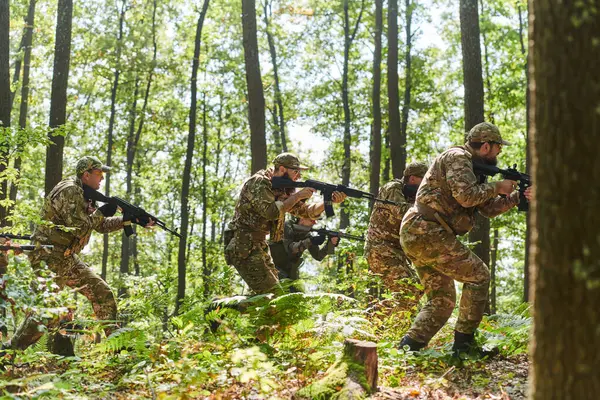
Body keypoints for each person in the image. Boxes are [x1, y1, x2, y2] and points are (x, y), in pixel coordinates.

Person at [398, 122, 532, 356]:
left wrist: (515, 197)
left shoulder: (474, 169)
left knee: (443, 299)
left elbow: (487, 209)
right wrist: (497, 186)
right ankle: (464, 347)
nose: (499, 155)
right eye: (498, 149)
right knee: (479, 276)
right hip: (425, 230)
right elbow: (466, 197)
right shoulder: (458, 156)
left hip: (422, 233)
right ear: (487, 146)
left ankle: (408, 349)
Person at [3, 156, 154, 354]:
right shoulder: (69, 190)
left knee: (101, 292)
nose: (101, 180)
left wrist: (128, 219)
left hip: (66, 256)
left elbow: (99, 225)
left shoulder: (85, 194)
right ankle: (9, 351)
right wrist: (102, 212)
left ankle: (118, 344)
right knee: (48, 313)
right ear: (86, 174)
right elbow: (78, 228)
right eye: (99, 174)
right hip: (49, 255)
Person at [224, 153, 347, 295]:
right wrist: (298, 196)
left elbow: (306, 211)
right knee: (272, 297)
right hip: (243, 244)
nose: (299, 176)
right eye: (296, 171)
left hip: (259, 245)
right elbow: (271, 212)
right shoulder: (258, 182)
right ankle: (219, 308)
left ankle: (222, 309)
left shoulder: (281, 190)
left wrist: (329, 202)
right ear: (282, 169)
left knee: (266, 297)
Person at [364, 161, 428, 310]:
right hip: (380, 251)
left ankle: (374, 317)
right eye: (423, 180)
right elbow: (402, 212)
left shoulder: (411, 196)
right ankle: (372, 320)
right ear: (412, 179)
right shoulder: (392, 188)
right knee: (410, 290)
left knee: (416, 289)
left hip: (394, 252)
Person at [269, 217, 338, 291]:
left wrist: (331, 244)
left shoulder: (307, 235)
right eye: (312, 220)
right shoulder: (286, 226)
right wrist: (311, 241)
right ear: (302, 218)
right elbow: (290, 248)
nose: (315, 223)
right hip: (272, 266)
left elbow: (318, 256)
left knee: (295, 296)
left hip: (289, 272)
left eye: (315, 220)